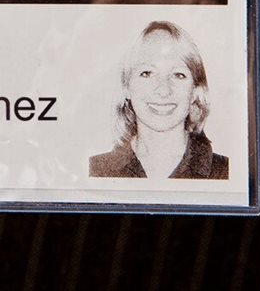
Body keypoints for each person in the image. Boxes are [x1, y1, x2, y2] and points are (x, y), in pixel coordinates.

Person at [89, 21, 228, 180]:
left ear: (195, 91)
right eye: (147, 73)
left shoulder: (227, 173)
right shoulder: (95, 171)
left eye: (178, 75)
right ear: (126, 86)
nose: (163, 90)